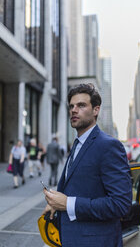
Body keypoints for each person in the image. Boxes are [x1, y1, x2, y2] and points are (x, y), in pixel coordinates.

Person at [43, 83, 132, 247]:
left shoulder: (109, 146)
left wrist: (68, 204)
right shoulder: (77, 144)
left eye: (81, 105)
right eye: (71, 106)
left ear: (96, 110)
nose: (74, 110)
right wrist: (56, 203)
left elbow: (121, 204)